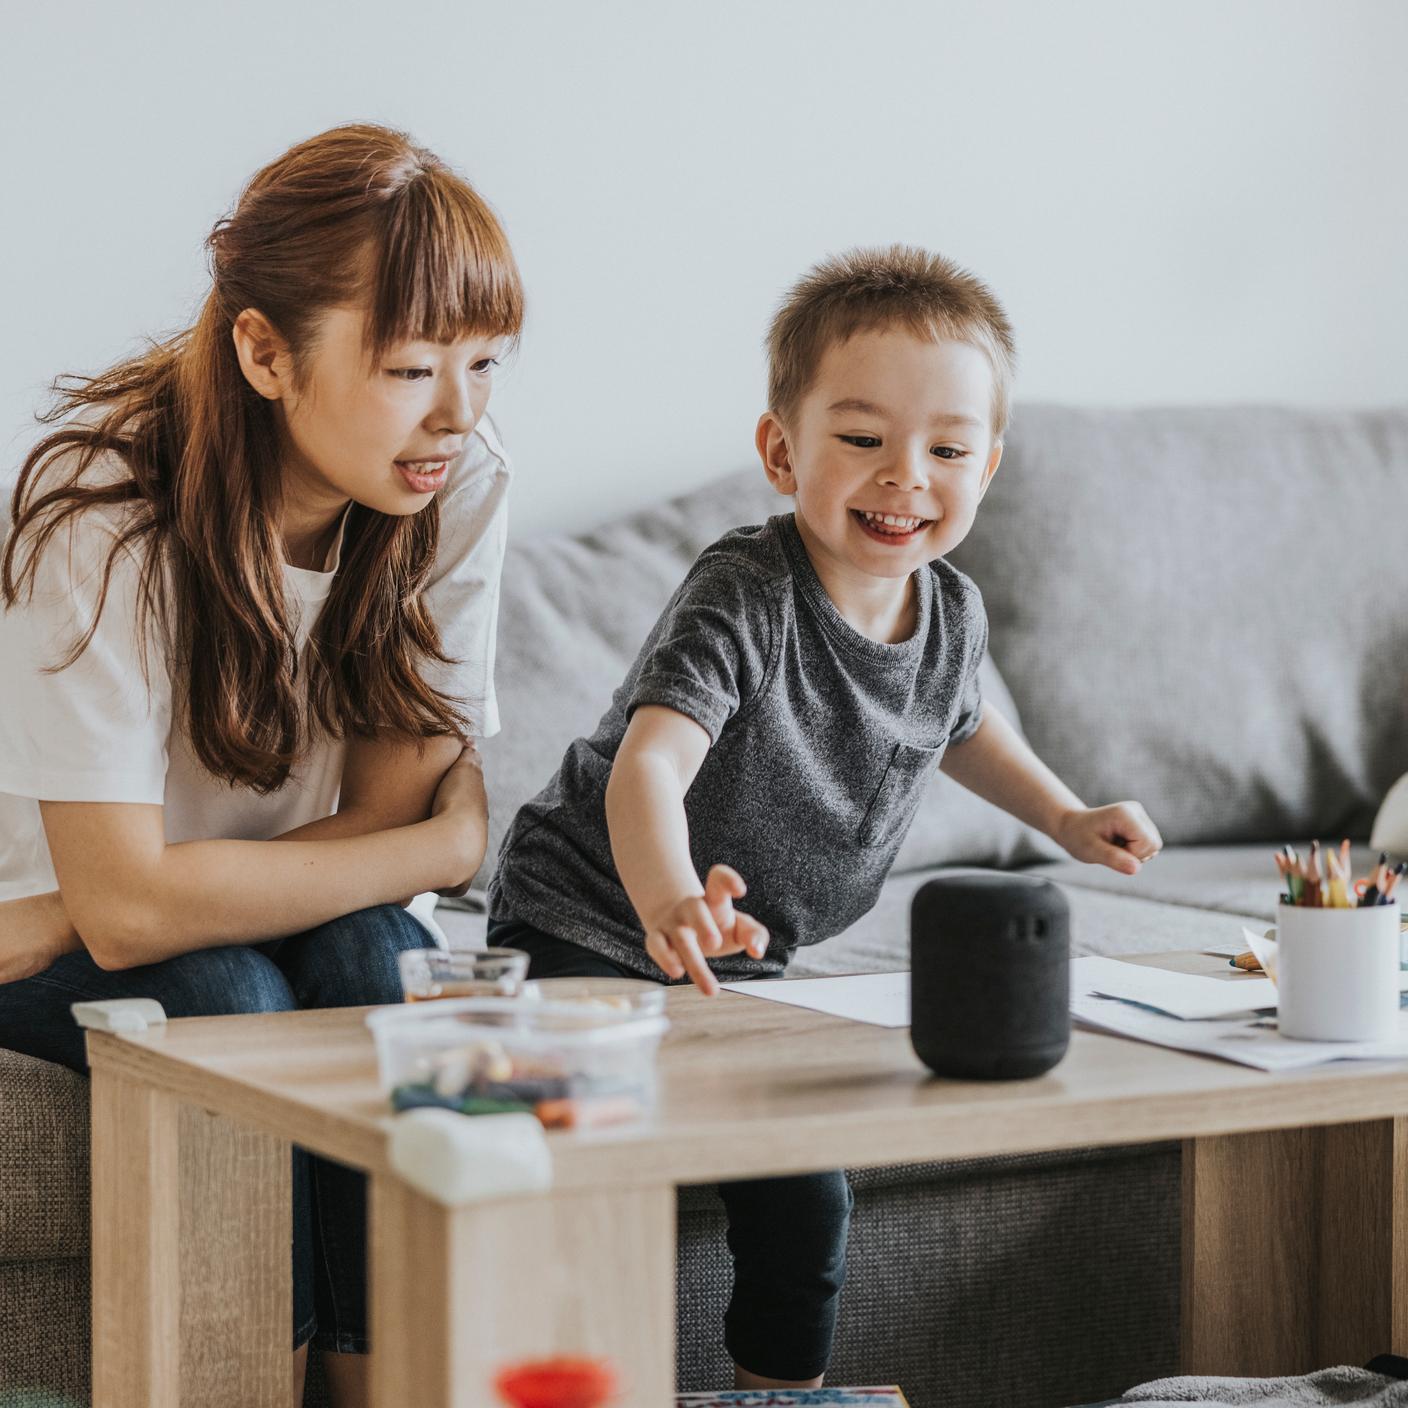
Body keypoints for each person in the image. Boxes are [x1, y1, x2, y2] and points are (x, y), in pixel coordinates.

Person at [487, 244, 1164, 1390]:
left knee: (805, 1185)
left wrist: (1064, 813)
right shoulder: (747, 592)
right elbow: (646, 768)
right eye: (862, 440)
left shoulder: (950, 612)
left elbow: (963, 729)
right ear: (779, 449)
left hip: (743, 954)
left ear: (986, 466)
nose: (905, 476)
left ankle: (780, 1392)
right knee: (583, 1163)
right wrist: (666, 898)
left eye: (945, 449)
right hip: (592, 915)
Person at [0, 123, 524, 1408]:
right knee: (228, 989)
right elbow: (129, 919)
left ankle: (383, 1388)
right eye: (410, 368)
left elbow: (371, 814)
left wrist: (140, 893)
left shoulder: (454, 489)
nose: (456, 413)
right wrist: (441, 853)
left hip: (133, 919)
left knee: (375, 964)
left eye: (484, 363)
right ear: (262, 351)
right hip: (52, 941)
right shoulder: (101, 505)